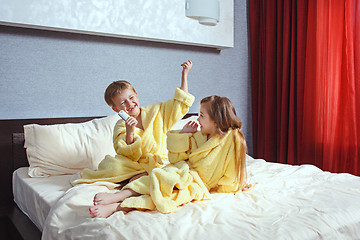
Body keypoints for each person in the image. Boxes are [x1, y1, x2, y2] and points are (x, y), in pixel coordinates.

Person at [89, 95, 248, 218]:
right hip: (182, 171)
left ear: (216, 119)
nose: (197, 119)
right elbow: (176, 159)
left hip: (198, 183)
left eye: (201, 115)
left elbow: (235, 168)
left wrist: (235, 186)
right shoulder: (201, 134)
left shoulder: (233, 139)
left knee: (165, 195)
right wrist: (184, 135)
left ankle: (117, 207)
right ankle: (118, 195)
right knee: (157, 176)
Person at [73, 60, 195, 186]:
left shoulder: (156, 111)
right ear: (116, 109)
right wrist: (130, 132)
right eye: (123, 103)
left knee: (180, 166)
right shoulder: (120, 125)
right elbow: (126, 154)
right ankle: (140, 177)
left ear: (136, 95)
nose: (129, 104)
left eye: (131, 98)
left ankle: (142, 177)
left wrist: (184, 75)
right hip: (135, 165)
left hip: (157, 162)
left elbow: (179, 104)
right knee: (113, 165)